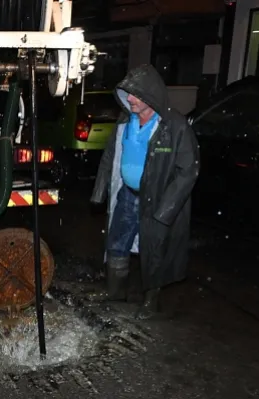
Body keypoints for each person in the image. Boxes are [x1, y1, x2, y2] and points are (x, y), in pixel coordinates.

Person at [90, 64, 200, 320]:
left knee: (154, 252)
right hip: (127, 196)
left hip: (156, 201)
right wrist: (99, 192)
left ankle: (150, 302)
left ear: (151, 95)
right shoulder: (124, 121)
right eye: (127, 93)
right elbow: (109, 157)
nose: (130, 99)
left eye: (135, 94)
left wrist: (165, 211)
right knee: (116, 244)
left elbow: (189, 170)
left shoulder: (174, 125)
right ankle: (115, 295)